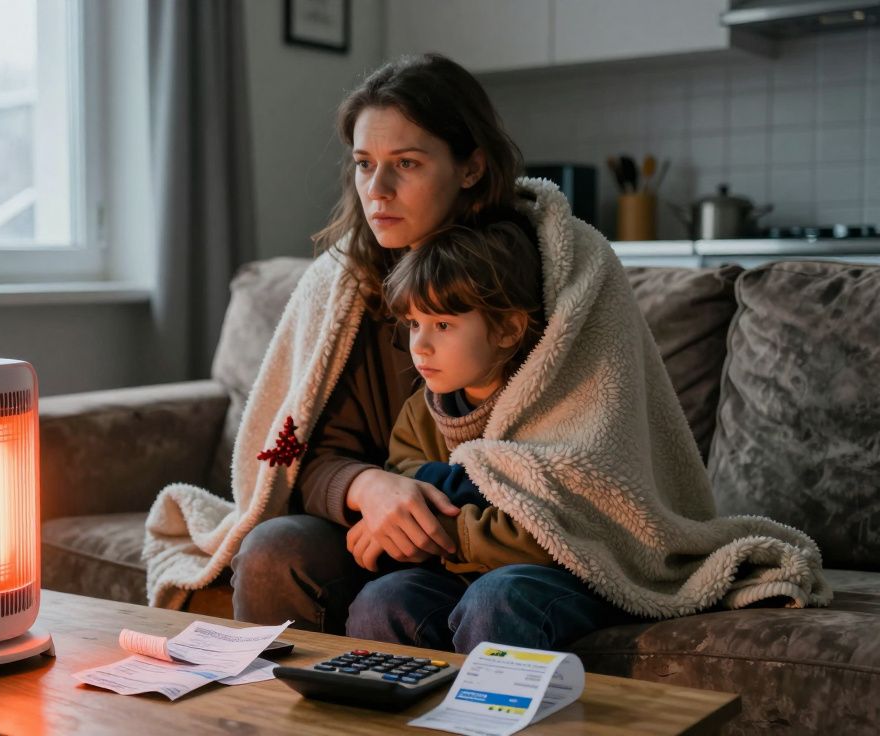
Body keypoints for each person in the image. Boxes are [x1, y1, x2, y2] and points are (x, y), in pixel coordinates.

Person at [142, 54, 828, 653]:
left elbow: (596, 465)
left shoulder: (562, 269)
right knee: (272, 553)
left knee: (498, 600)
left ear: (470, 166)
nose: (375, 192)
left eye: (405, 165)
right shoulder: (344, 287)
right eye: (363, 165)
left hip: (525, 541)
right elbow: (309, 454)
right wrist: (367, 486)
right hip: (383, 537)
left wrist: (443, 515)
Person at [352, 221, 555, 579]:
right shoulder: (420, 410)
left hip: (530, 578)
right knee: (384, 599)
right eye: (415, 323)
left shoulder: (546, 407)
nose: (420, 345)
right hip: (449, 574)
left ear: (508, 329)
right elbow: (402, 475)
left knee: (499, 594)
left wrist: (443, 493)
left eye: (442, 325)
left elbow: (551, 528)